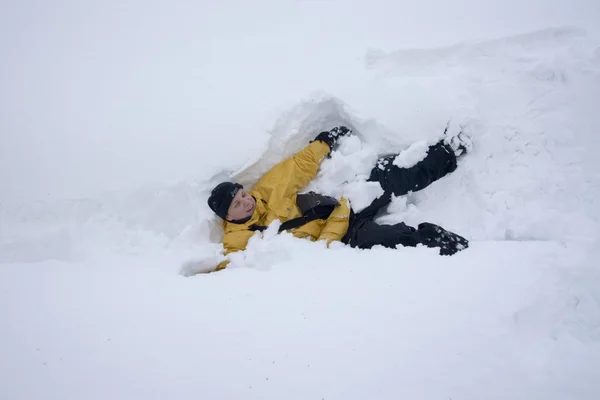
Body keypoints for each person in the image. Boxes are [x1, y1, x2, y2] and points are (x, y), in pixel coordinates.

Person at [208, 126, 472, 271]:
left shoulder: (265, 192)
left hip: (342, 208)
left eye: (242, 194)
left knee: (389, 176)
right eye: (237, 204)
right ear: (229, 216)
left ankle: (447, 152)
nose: (246, 201)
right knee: (386, 240)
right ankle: (436, 242)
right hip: (340, 242)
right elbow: (230, 272)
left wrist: (324, 143)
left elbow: (296, 167)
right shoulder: (236, 241)